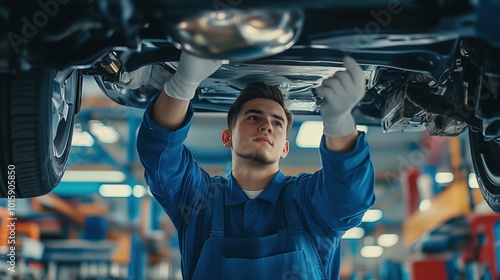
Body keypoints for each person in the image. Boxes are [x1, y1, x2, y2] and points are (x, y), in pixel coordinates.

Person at [136, 51, 375, 280]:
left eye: (277, 123)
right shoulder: (200, 198)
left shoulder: (308, 202)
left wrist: (340, 124)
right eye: (254, 117)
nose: (266, 126)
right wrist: (183, 84)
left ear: (285, 148)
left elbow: (350, 197)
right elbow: (160, 154)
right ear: (227, 137)